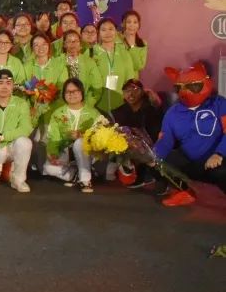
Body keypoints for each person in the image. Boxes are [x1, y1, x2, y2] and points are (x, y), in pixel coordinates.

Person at [151, 62, 226, 206]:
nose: (186, 91)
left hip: (216, 160)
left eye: (193, 86)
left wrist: (219, 154)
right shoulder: (173, 113)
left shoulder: (220, 104)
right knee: (160, 163)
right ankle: (184, 191)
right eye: (180, 87)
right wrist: (154, 156)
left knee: (221, 172)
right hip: (190, 160)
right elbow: (166, 140)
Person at [43, 78, 100, 192]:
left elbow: (99, 135)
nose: (71, 94)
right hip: (66, 152)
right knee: (48, 168)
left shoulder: (93, 113)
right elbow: (53, 136)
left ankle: (85, 180)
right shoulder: (58, 113)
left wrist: (82, 135)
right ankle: (74, 174)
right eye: (68, 92)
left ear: (82, 92)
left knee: (79, 143)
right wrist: (53, 154)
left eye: (75, 91)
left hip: (88, 153)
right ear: (64, 95)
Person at [115, 78, 164, 189]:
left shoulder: (151, 110)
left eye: (135, 90)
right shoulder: (120, 111)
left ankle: (149, 175)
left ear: (142, 92)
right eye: (127, 91)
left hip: (150, 147)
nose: (130, 94)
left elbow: (156, 133)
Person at [88, 17, 137, 121]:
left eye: (111, 29)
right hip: (98, 103)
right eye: (103, 30)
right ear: (98, 32)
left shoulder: (124, 52)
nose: (108, 33)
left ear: (116, 31)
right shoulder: (92, 53)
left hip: (120, 102)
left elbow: (130, 78)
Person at [120, 10, 148, 76]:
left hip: (131, 80)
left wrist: (131, 46)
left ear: (139, 25)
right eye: (128, 22)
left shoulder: (142, 43)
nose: (132, 25)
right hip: (117, 78)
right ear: (122, 24)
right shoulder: (115, 37)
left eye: (135, 22)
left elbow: (138, 66)